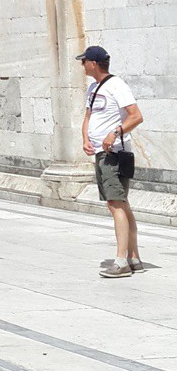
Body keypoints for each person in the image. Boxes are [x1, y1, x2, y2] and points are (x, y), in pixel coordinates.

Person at [79, 45, 144, 278]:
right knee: (120, 204)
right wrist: (86, 138)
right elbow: (88, 117)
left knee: (116, 204)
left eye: (84, 61)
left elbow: (136, 116)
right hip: (100, 154)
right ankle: (133, 257)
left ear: (93, 63)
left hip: (114, 155)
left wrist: (114, 132)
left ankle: (121, 262)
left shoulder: (117, 86)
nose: (82, 64)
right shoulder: (93, 88)